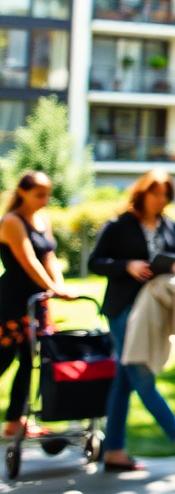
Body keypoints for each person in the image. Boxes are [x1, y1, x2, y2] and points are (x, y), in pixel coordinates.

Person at [91, 169, 175, 473]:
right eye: (155, 193)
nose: (160, 199)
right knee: (141, 371)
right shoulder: (119, 225)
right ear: (142, 193)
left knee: (124, 379)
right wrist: (126, 266)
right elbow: (96, 262)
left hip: (155, 310)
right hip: (124, 308)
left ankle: (114, 451)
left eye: (165, 194)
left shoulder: (171, 227)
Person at [0, 172, 76, 440]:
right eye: (39, 195)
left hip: (37, 301)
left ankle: (14, 422)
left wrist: (60, 285)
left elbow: (49, 257)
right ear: (22, 192)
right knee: (5, 358)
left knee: (28, 360)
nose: (44, 200)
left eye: (47, 194)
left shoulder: (42, 220)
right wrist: (54, 289)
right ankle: (14, 421)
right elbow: (28, 260)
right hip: (12, 301)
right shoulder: (11, 221)